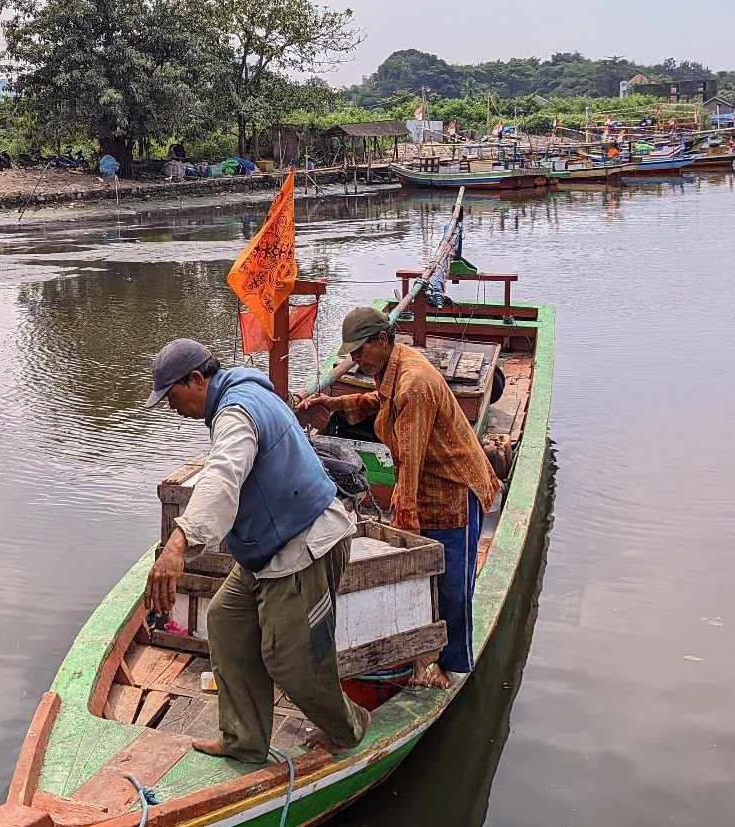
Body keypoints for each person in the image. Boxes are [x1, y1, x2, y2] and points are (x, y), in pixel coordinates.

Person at [144, 338, 371, 763]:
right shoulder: (246, 392)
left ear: (196, 379)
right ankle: (245, 740)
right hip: (264, 551)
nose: (172, 409)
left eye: (172, 397)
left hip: (303, 547)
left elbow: (224, 474)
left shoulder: (235, 413)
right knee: (226, 621)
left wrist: (179, 542)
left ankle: (349, 726)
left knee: (292, 661)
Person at [299, 308, 504, 689]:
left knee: (452, 581)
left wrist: (403, 530)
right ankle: (424, 649)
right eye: (352, 354)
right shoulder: (395, 367)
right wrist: (335, 403)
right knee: (430, 572)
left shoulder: (414, 383)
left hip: (452, 488)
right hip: (426, 480)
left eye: (361, 351)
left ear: (381, 340)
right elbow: (380, 399)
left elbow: (407, 466)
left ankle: (452, 664)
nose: (356, 360)